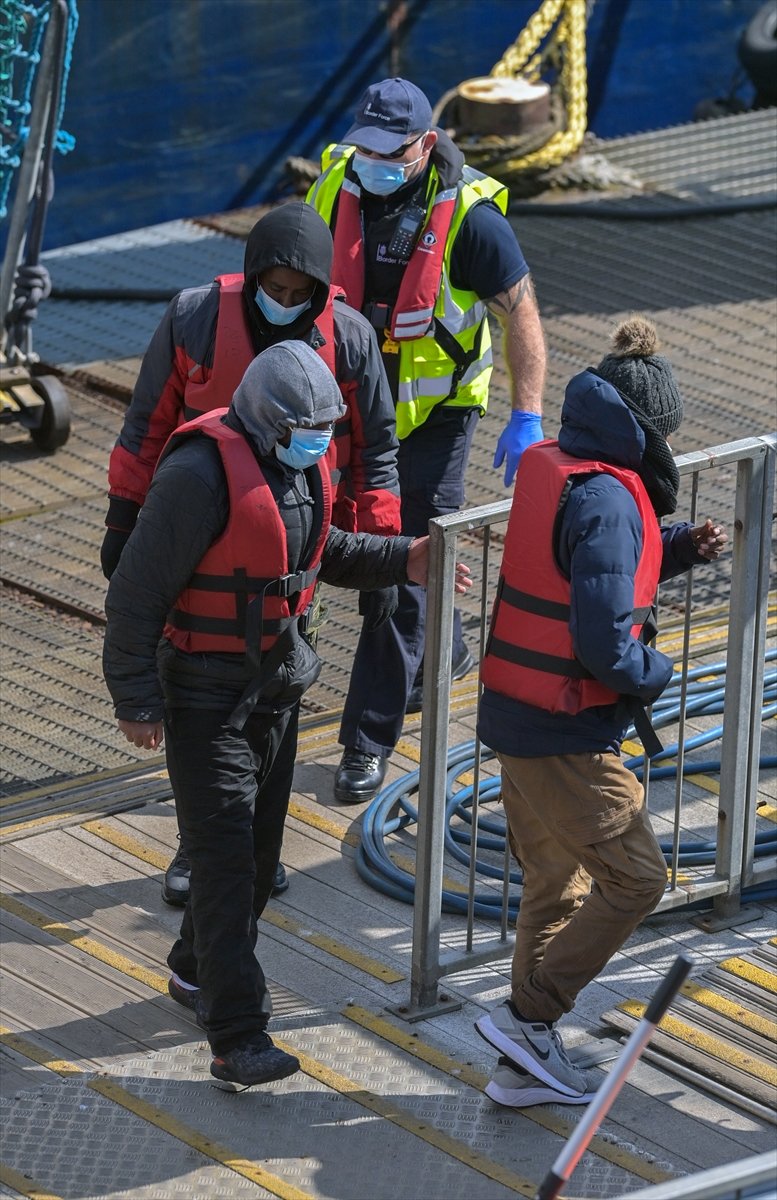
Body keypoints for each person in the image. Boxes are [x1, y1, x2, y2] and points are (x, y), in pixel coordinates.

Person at [102, 340, 471, 1090]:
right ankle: (238, 1035)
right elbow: (134, 595)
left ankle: (193, 968)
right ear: (268, 420)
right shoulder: (197, 476)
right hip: (204, 696)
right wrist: (135, 698)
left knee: (258, 861)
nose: (319, 441)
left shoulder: (297, 468)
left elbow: (323, 548)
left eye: (324, 429)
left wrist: (406, 557)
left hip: (275, 688)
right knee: (228, 863)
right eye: (307, 428)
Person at [100, 201, 401, 906]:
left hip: (298, 546)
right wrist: (123, 517)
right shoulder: (193, 317)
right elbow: (147, 423)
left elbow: (376, 453)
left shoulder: (350, 341)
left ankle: (258, 850)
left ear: (323, 294)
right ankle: (200, 847)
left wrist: (381, 548)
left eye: (301, 295)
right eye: (275, 289)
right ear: (250, 275)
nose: (285, 303)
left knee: (279, 704)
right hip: (201, 545)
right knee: (202, 714)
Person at [474, 316, 728, 1108]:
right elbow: (604, 645)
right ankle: (526, 1018)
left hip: (515, 717)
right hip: (567, 733)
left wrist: (678, 547)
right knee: (634, 878)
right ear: (647, 432)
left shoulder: (566, 468)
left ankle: (523, 1070)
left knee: (552, 884)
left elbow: (583, 567)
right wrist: (657, 669)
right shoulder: (610, 501)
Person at [307, 77, 547, 803]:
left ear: (424, 144)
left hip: (434, 421)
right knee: (340, 549)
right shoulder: (332, 189)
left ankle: (365, 739)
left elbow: (523, 317)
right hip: (346, 414)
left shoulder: (473, 222)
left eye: (389, 152)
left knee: (406, 573)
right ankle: (442, 652)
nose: (372, 162)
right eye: (364, 148)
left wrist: (526, 414)